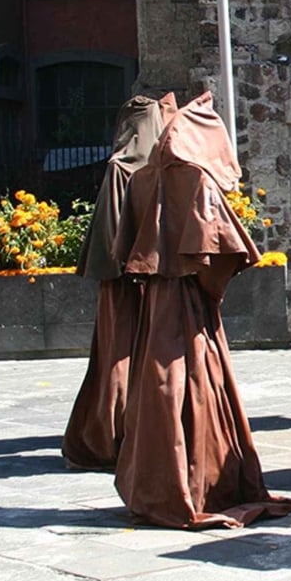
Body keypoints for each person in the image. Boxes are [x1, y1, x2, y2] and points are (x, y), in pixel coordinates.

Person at [113, 92, 291, 528]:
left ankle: (154, 482)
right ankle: (198, 483)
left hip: (155, 302)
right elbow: (218, 253)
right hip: (189, 302)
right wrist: (209, 293)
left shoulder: (142, 178)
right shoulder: (195, 180)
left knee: (159, 386)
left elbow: (129, 249)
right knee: (194, 383)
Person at [62, 92, 176, 470]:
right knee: (137, 357)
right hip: (145, 280)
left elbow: (110, 238)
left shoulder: (123, 168)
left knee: (120, 355)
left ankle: (116, 435)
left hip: (124, 281)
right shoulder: (156, 168)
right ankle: (131, 434)